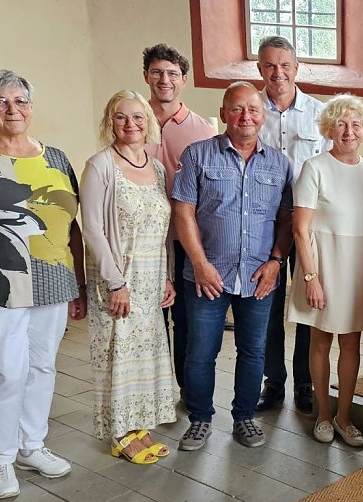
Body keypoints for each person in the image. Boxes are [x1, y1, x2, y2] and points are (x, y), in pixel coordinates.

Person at [0, 69, 86, 498]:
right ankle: (1, 460)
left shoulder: (57, 157)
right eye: (0, 101)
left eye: (20, 101)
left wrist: (78, 280)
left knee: (43, 366)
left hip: (54, 278)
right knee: (7, 372)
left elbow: (72, 223)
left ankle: (32, 445)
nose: (13, 109)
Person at [172, 82, 294, 450]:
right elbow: (183, 212)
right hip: (207, 275)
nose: (246, 117)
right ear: (224, 114)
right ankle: (199, 418)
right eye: (237, 109)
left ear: (263, 116)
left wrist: (275, 263)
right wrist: (199, 263)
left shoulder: (279, 163)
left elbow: (286, 219)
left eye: (253, 110)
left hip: (258, 276)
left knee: (254, 350)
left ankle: (244, 417)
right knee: (201, 351)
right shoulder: (198, 155)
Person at [81, 90, 177, 464]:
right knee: (117, 354)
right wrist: (115, 281)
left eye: (138, 117)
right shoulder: (100, 165)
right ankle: (120, 433)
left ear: (148, 122)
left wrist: (167, 275)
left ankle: (138, 425)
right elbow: (92, 228)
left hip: (152, 277)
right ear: (110, 121)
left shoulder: (159, 169)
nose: (131, 124)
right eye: (121, 117)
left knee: (145, 354)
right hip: (118, 275)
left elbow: (164, 228)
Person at [288, 94, 363, 447]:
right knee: (320, 340)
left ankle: (345, 417)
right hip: (323, 264)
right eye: (341, 123)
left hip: (356, 268)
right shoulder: (315, 168)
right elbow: (301, 229)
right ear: (329, 128)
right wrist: (311, 278)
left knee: (352, 342)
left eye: (355, 124)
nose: (348, 131)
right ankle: (323, 415)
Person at [255, 35, 332, 414]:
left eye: (285, 65)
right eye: (269, 65)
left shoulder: (320, 114)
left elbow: (331, 171)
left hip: (308, 226)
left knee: (304, 304)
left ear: (297, 68)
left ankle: (305, 382)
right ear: (260, 69)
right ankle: (274, 382)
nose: (278, 72)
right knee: (267, 304)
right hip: (265, 224)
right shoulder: (252, 111)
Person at [142, 44, 216, 407]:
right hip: (144, 238)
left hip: (184, 236)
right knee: (151, 316)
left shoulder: (201, 129)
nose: (164, 80)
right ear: (146, 77)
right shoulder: (133, 120)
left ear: (183, 81)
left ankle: (187, 389)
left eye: (172, 73)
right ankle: (155, 389)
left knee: (186, 319)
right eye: (157, 72)